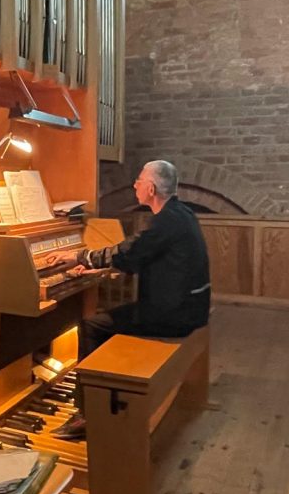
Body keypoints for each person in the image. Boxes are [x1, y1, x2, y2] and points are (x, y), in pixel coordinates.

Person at [47, 160, 211, 440]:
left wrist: (78, 256)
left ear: (151, 189)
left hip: (175, 314)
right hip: (190, 306)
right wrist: (103, 266)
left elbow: (131, 251)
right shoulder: (181, 213)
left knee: (92, 325)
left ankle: (88, 413)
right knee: (111, 317)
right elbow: (142, 256)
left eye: (139, 180)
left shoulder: (166, 221)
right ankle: (102, 391)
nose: (135, 185)